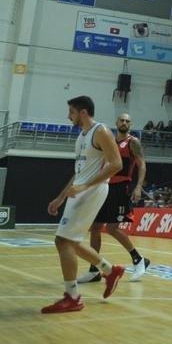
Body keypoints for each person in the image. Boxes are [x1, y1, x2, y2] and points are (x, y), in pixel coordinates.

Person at [42, 96, 127, 314]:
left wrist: (84, 187)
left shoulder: (101, 131)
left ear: (82, 112)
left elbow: (117, 164)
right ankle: (110, 271)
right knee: (73, 242)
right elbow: (78, 174)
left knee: (63, 241)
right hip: (80, 191)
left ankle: (73, 297)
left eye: (71, 111)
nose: (68, 116)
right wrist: (60, 197)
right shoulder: (81, 136)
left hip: (93, 190)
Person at [77, 113, 150, 284]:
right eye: (122, 120)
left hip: (121, 189)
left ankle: (139, 260)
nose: (124, 123)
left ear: (130, 124)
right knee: (95, 228)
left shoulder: (133, 142)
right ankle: (94, 270)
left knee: (112, 228)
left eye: (127, 121)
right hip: (104, 187)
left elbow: (142, 164)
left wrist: (138, 186)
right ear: (116, 122)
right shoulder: (109, 141)